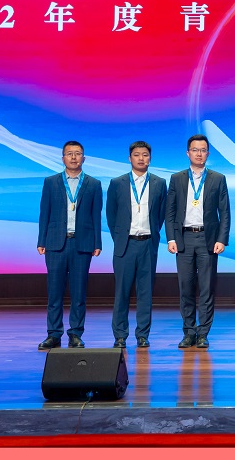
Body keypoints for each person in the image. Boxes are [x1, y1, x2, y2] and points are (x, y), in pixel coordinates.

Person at [165, 134, 231, 349]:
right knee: (185, 287)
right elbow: (170, 211)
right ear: (188, 153)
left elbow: (225, 212)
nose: (199, 154)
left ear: (208, 154)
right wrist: (171, 238)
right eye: (195, 150)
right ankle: (189, 332)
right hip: (184, 238)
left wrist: (222, 239)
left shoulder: (217, 178)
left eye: (203, 150)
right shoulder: (177, 178)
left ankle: (203, 333)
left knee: (206, 288)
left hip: (207, 239)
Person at [37, 141, 102, 350]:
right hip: (56, 243)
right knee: (54, 292)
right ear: (63, 158)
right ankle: (53, 334)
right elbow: (44, 213)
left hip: (82, 244)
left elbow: (96, 215)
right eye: (69, 154)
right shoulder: (51, 182)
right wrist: (41, 240)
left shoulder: (94, 184)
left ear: (84, 158)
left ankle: (75, 334)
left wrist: (97, 242)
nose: (74, 157)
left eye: (78, 153)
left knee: (79, 293)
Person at [105, 141, 167, 349]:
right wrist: (120, 238)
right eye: (137, 154)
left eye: (145, 155)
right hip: (125, 245)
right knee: (121, 292)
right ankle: (120, 335)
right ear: (129, 158)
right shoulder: (117, 183)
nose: (141, 158)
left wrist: (152, 234)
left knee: (145, 292)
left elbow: (161, 214)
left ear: (150, 158)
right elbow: (111, 215)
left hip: (148, 244)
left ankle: (142, 335)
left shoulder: (159, 183)